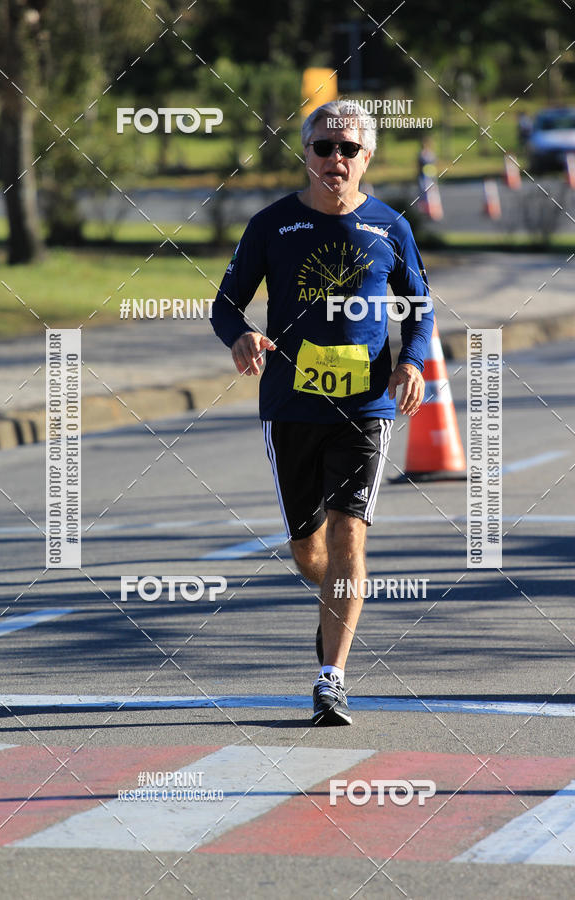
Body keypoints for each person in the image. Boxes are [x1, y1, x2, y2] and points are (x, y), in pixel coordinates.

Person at [211, 99, 434, 726]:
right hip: (291, 405)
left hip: (366, 406)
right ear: (305, 153)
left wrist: (411, 363)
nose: (336, 158)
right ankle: (336, 599)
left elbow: (419, 308)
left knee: (347, 536)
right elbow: (226, 304)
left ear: (367, 158)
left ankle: (331, 678)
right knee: (311, 554)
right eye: (324, 147)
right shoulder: (272, 225)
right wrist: (240, 336)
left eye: (349, 149)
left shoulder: (390, 226)